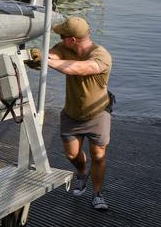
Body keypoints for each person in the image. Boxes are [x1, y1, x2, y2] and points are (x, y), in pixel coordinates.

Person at [41, 16, 113, 211]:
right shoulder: (65, 48)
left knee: (98, 155)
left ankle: (97, 194)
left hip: (98, 114)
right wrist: (39, 57)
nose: (60, 38)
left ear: (72, 39)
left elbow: (81, 69)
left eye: (62, 35)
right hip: (72, 113)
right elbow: (52, 55)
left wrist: (48, 61)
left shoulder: (101, 55)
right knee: (71, 154)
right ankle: (82, 172)